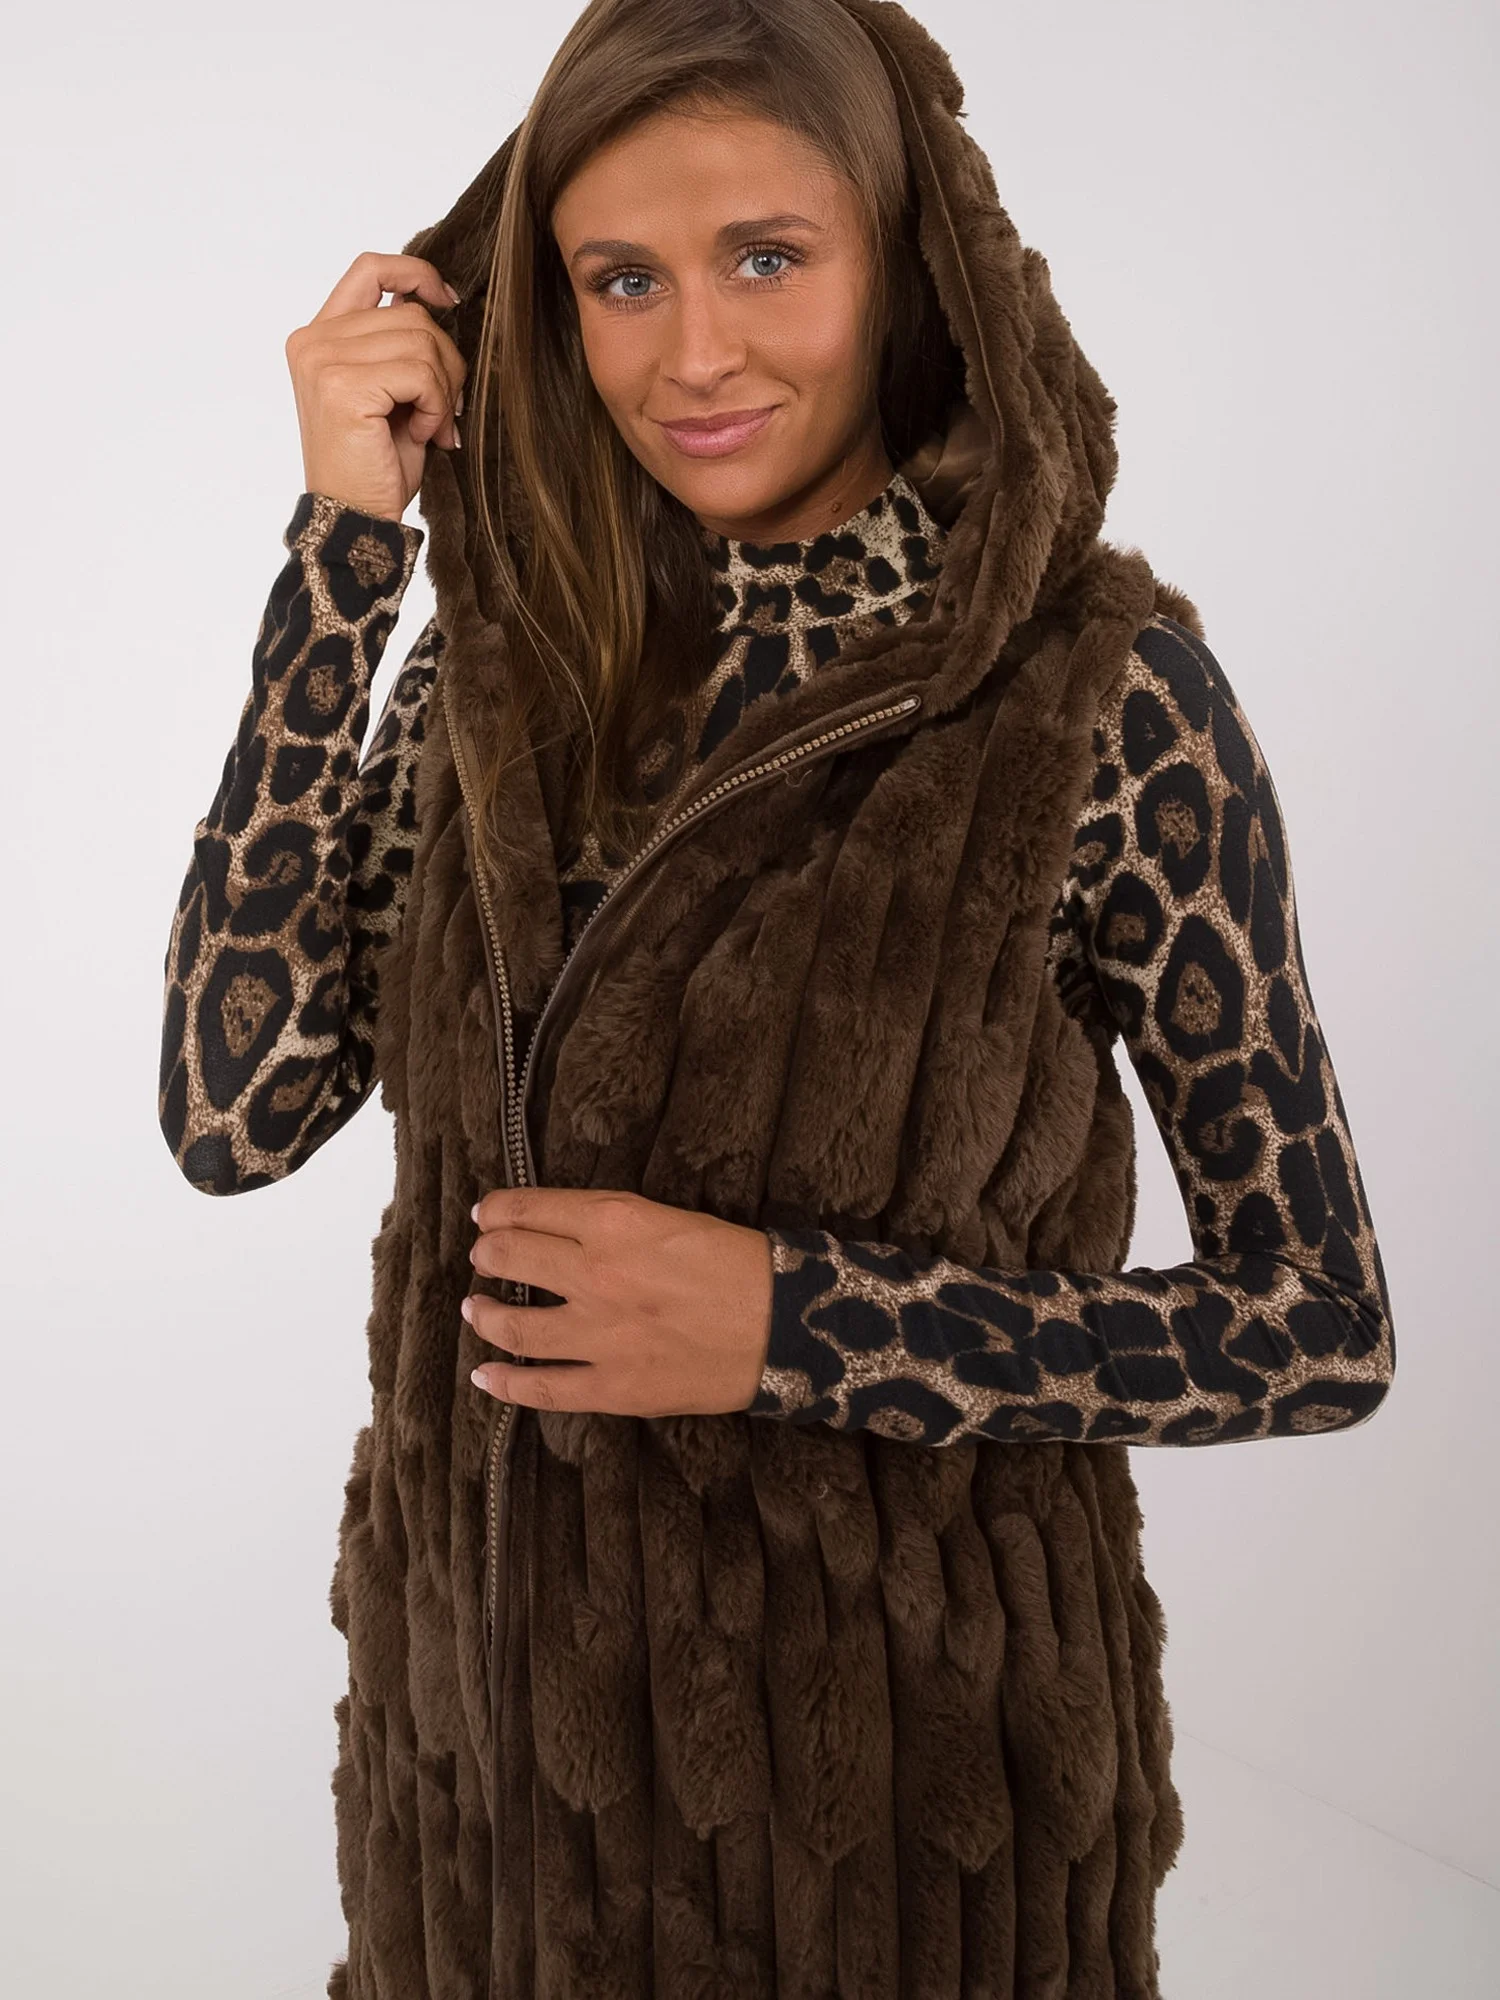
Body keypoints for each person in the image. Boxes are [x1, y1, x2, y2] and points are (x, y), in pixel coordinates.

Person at [157, 1, 1395, 1993]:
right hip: (476, 1838)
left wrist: (796, 1326)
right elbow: (236, 1115)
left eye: (764, 257)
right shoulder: (502, 672)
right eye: (621, 279)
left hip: (905, 1846)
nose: (695, 355)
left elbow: (1317, 1326)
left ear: (904, 263)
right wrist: (345, 554)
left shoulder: (1103, 704)